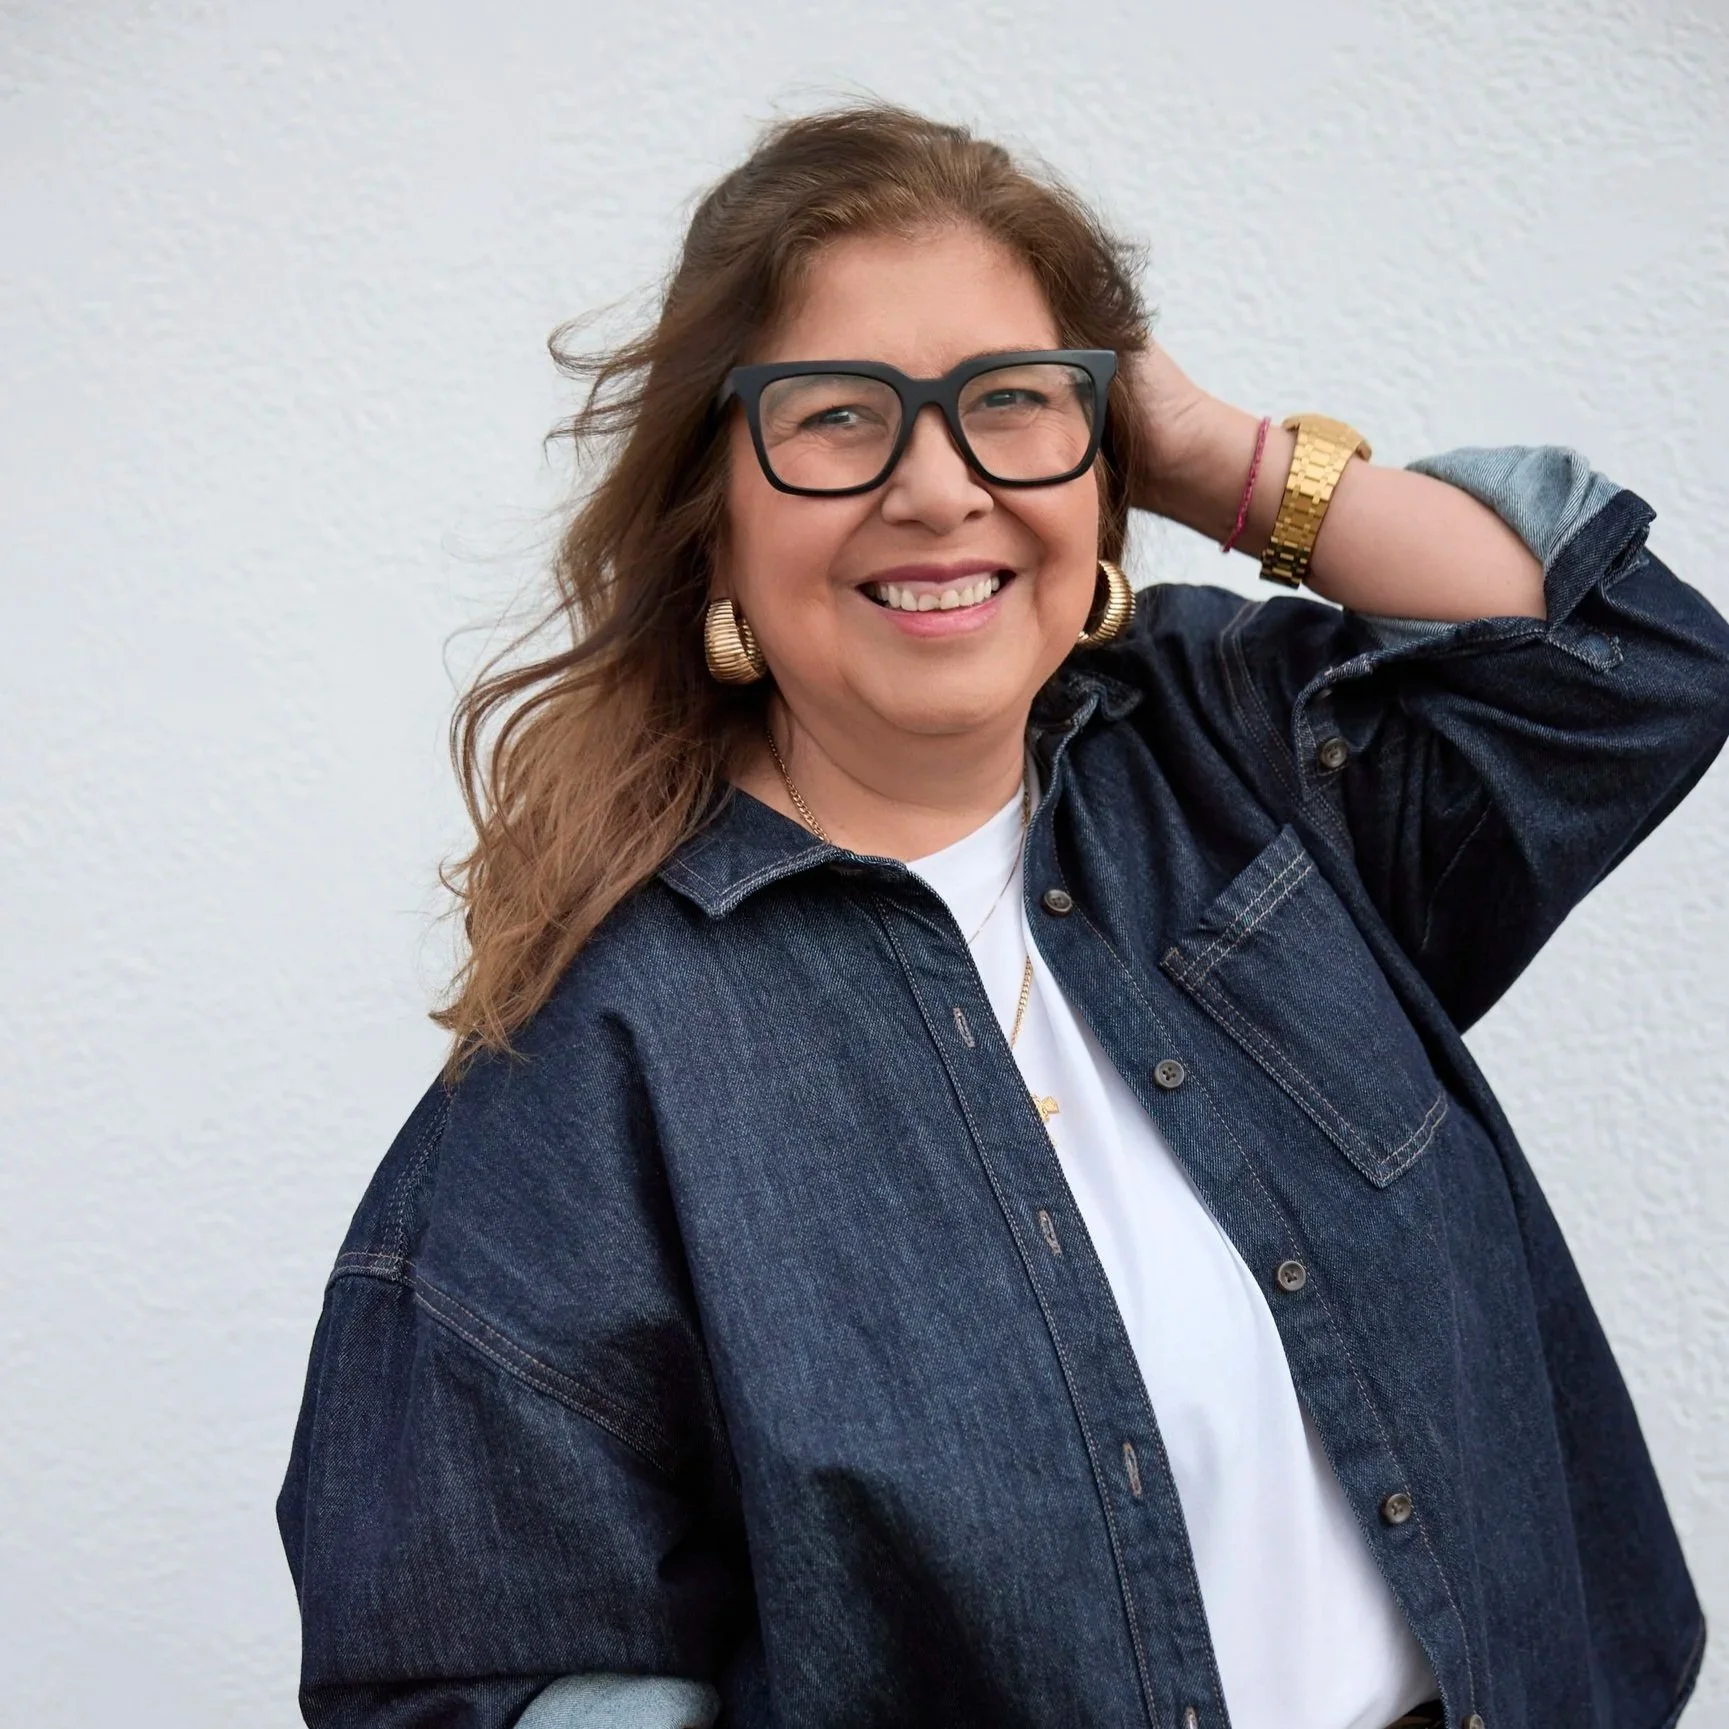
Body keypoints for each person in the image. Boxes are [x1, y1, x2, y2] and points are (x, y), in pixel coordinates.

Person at [276, 103, 1729, 1729]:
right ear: (717, 520)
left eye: (1009, 405)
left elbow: (1625, 673)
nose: (938, 487)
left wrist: (1185, 442)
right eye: (837, 421)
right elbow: (469, 1685)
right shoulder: (602, 1070)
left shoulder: (1224, 754)